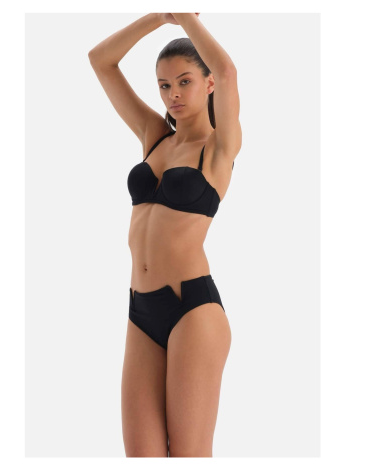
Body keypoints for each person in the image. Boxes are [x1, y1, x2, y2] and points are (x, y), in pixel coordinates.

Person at [88, 13, 241, 458]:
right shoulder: (154, 136)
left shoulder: (220, 147)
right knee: (142, 457)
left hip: (192, 309)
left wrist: (187, 17)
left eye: (184, 82)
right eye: (164, 85)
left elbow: (228, 70)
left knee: (189, 455)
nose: (173, 94)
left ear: (208, 84)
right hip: (141, 309)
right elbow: (100, 61)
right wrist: (159, 17)